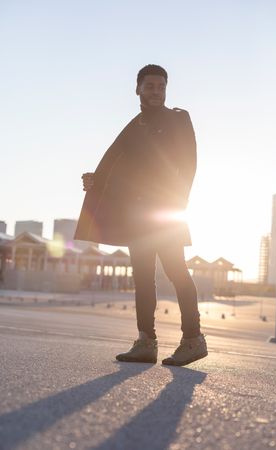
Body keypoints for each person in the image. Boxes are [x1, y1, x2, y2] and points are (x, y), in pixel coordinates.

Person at [75, 64, 207, 366]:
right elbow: (111, 160)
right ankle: (146, 342)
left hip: (166, 210)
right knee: (143, 278)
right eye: (150, 86)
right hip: (137, 213)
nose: (156, 91)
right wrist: (94, 179)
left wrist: (180, 199)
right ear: (138, 89)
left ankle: (193, 339)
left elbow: (190, 161)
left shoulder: (178, 118)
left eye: (161, 86)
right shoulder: (134, 126)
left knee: (176, 271)